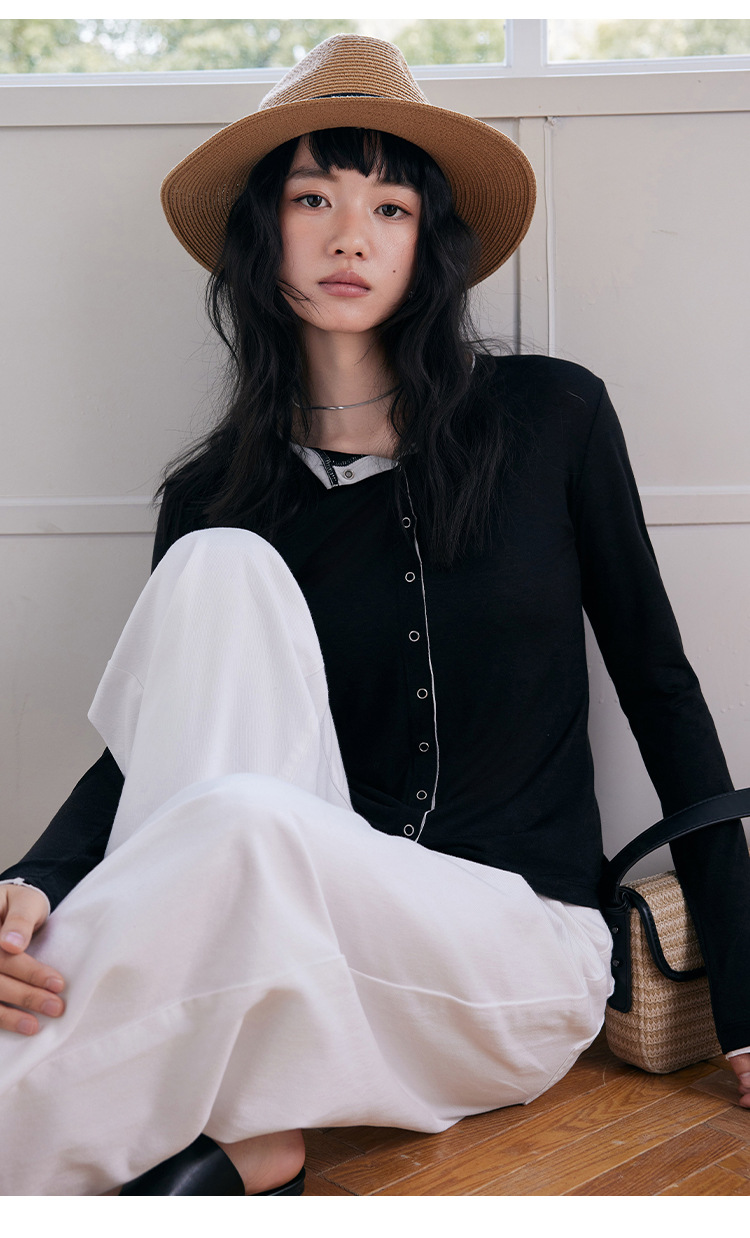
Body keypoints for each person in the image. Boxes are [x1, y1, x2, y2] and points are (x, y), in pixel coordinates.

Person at [0, 34, 748, 1197]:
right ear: (264, 232)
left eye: (390, 207)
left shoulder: (549, 418)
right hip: (297, 950)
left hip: (512, 957)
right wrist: (35, 883)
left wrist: (748, 991)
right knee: (216, 571)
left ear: (426, 244)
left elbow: (662, 686)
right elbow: (159, 745)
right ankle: (252, 1133)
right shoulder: (217, 494)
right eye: (315, 198)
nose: (352, 235)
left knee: (242, 826)